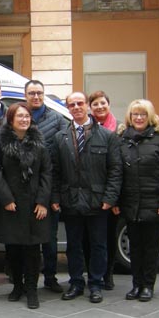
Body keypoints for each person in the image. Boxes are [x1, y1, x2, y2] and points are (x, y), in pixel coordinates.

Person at [51, 92, 122, 304]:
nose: (76, 107)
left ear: (87, 106)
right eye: (72, 105)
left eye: (80, 103)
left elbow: (115, 170)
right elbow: (55, 170)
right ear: (68, 109)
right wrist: (55, 196)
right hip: (71, 200)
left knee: (98, 244)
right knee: (73, 245)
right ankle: (75, 282)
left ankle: (96, 283)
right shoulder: (60, 137)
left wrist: (110, 198)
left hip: (97, 201)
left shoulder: (107, 136)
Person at [113, 99, 159, 302]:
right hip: (131, 203)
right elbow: (117, 172)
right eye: (135, 115)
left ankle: (147, 285)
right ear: (129, 118)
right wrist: (116, 200)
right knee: (135, 247)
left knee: (151, 248)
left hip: (154, 203)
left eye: (142, 114)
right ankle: (136, 284)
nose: (139, 118)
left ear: (149, 116)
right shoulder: (122, 138)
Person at [0, 103, 51, 309]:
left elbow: (46, 173)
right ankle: (17, 286)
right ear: (11, 119)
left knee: (33, 250)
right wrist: (6, 199)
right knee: (13, 249)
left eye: (27, 116)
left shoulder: (39, 141)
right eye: (20, 116)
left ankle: (32, 290)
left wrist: (42, 201)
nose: (24, 119)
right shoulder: (0, 140)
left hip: (34, 205)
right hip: (11, 204)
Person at [24, 80, 67, 293]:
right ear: (25, 95)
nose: (36, 97)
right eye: (31, 93)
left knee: (49, 237)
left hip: (48, 187)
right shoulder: (18, 117)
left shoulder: (58, 119)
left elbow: (62, 155)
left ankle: (50, 277)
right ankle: (23, 278)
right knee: (25, 237)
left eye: (39, 93)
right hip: (23, 188)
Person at [87, 90, 120, 290]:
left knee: (109, 236)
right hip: (91, 194)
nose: (99, 107)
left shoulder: (119, 129)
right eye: (95, 104)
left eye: (102, 103)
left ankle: (108, 274)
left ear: (108, 104)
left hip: (110, 193)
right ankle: (94, 272)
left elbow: (118, 166)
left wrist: (114, 197)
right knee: (92, 238)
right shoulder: (86, 128)